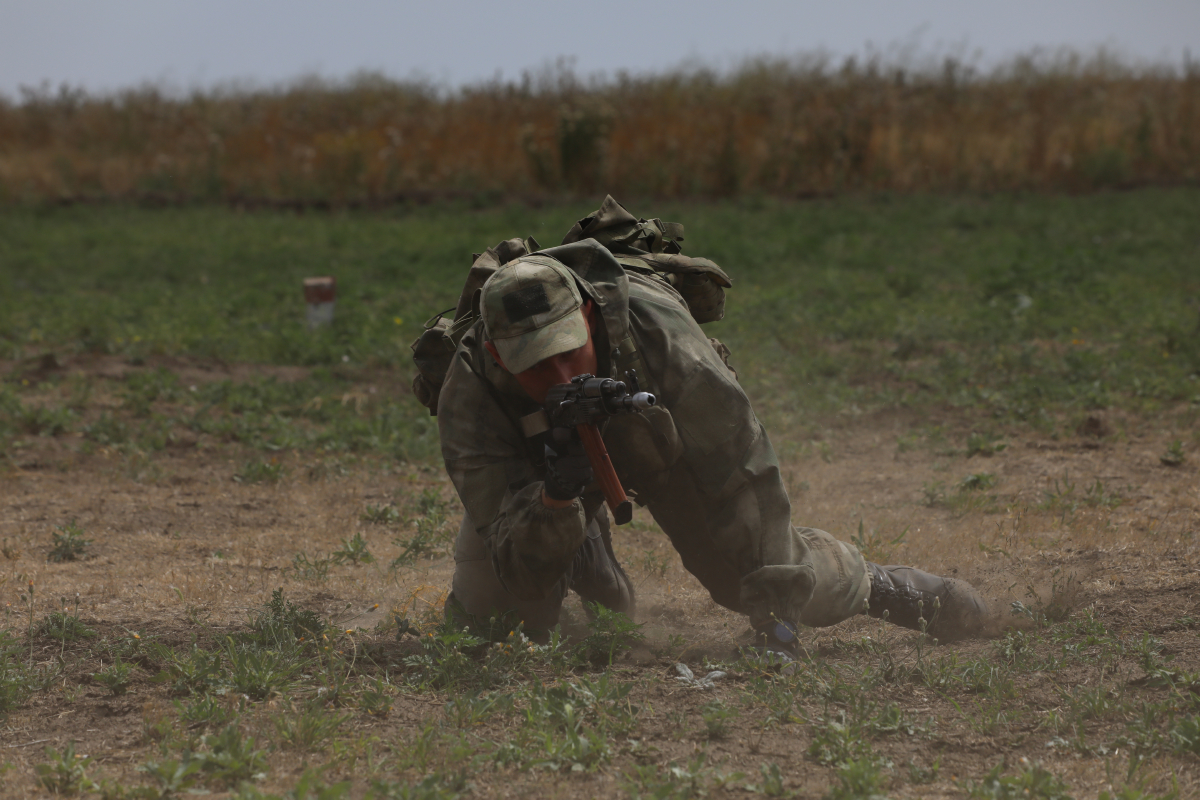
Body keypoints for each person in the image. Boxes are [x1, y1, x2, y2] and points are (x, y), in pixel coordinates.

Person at [432, 198, 989, 655]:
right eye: (535, 363)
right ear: (499, 358)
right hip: (541, 481)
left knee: (741, 581)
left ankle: (891, 590)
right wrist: (555, 501)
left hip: (665, 445)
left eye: (567, 352)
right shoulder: (470, 397)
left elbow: (744, 476)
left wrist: (779, 621)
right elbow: (515, 563)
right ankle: (584, 547)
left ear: (590, 315)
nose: (558, 374)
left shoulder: (661, 334)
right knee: (494, 624)